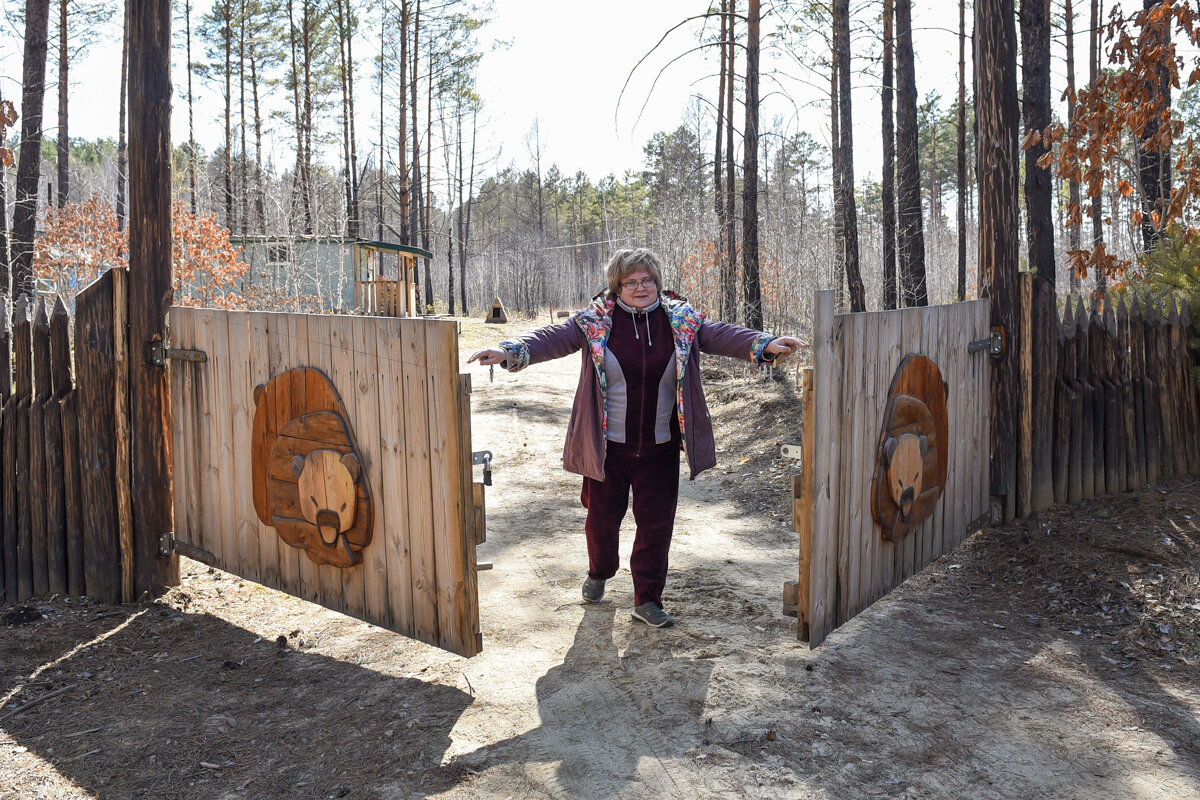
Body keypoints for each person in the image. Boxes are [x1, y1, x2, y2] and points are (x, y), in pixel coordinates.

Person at [468, 248, 807, 628]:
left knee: (656, 526)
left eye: (647, 280)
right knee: (601, 519)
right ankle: (599, 571)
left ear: (658, 283)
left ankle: (647, 598)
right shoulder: (595, 321)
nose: (640, 287)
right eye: (631, 282)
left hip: (660, 449)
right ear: (617, 287)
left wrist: (765, 343)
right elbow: (552, 337)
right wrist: (509, 349)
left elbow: (723, 334)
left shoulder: (681, 320)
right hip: (607, 449)